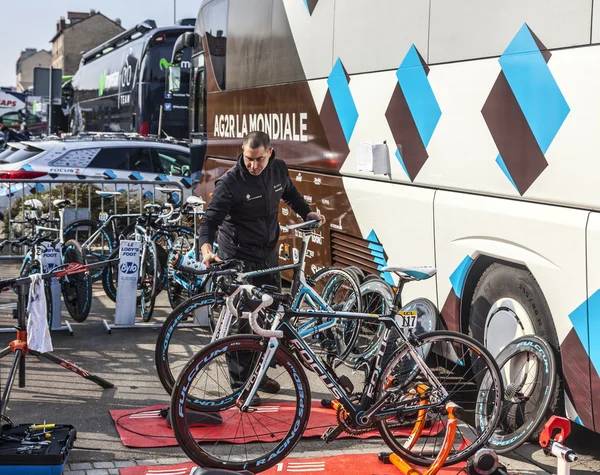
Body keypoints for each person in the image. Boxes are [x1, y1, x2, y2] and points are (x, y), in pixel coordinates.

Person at [198, 131, 325, 404]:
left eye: (259, 159)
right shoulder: (231, 182)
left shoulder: (277, 170)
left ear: (270, 153)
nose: (254, 165)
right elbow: (209, 221)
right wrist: (207, 249)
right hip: (240, 258)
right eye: (248, 158)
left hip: (268, 255)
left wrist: (307, 213)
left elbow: (289, 192)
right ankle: (241, 386)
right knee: (244, 322)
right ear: (242, 153)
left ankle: (258, 373)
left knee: (269, 319)